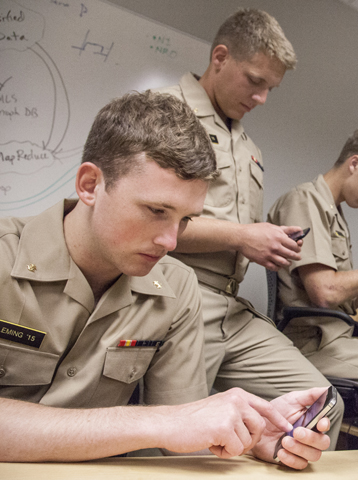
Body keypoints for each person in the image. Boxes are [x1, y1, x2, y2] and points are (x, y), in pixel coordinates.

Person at [0, 91, 330, 467]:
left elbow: (183, 435)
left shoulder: (177, 289)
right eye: (156, 210)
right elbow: (167, 422)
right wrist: (155, 421)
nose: (171, 241)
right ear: (90, 185)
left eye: (186, 219)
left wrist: (249, 438)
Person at [155, 8, 344, 442]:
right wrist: (243, 236)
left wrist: (267, 241)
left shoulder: (249, 147)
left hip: (233, 309)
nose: (261, 98)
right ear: (219, 57)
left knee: (323, 410)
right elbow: (147, 225)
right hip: (177, 299)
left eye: (270, 88)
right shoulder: (163, 112)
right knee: (178, 443)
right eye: (255, 81)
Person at [267, 125, 358, 392]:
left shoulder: (333, 212)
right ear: (355, 164)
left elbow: (345, 302)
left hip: (334, 339)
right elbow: (325, 293)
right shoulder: (306, 201)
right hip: (313, 345)